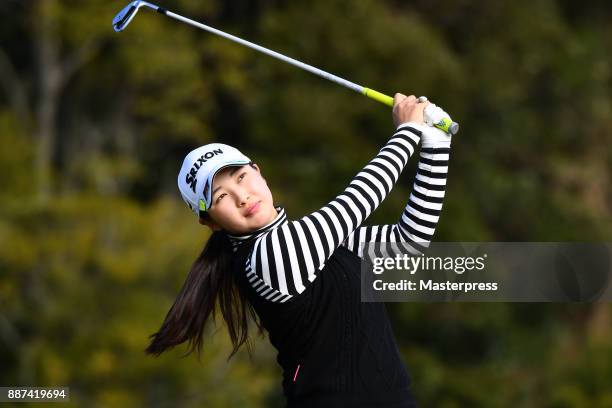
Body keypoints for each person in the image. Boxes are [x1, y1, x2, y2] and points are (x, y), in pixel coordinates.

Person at [145, 93, 453, 407]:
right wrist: (407, 132)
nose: (241, 196)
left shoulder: (321, 241)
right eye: (221, 196)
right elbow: (358, 202)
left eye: (241, 177)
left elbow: (409, 239)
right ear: (209, 221)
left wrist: (436, 146)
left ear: (258, 171)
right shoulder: (266, 257)